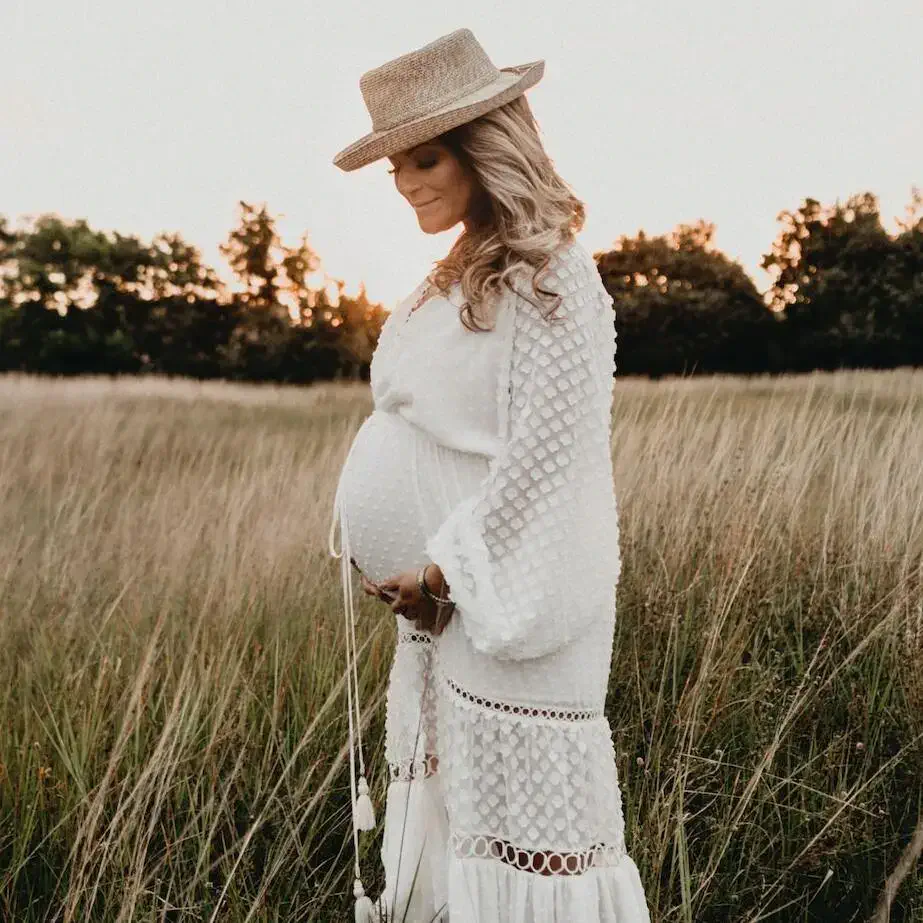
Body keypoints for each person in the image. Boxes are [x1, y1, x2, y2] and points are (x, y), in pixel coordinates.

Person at [328, 27, 652, 923]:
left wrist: (441, 576)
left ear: (485, 146)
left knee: (534, 845)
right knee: (454, 823)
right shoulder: (453, 272)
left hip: (514, 605)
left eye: (423, 158)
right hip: (445, 618)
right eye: (394, 165)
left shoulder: (554, 279)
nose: (405, 183)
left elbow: (549, 465)